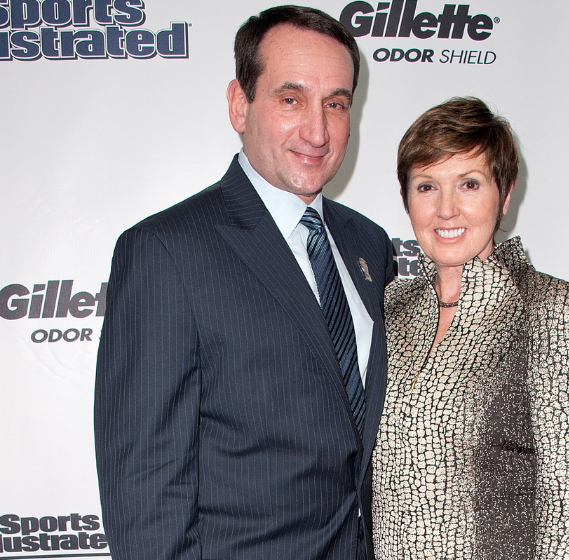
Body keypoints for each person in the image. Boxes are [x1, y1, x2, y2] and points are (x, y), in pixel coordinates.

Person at [93, 6, 394, 560]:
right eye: (290, 98)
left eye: (336, 103)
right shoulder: (166, 251)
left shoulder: (367, 245)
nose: (318, 129)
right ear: (239, 104)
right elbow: (146, 495)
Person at [371, 97, 569, 559]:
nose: (446, 210)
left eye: (469, 184)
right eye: (426, 187)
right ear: (406, 200)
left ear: (505, 192)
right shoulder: (392, 307)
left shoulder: (547, 308)